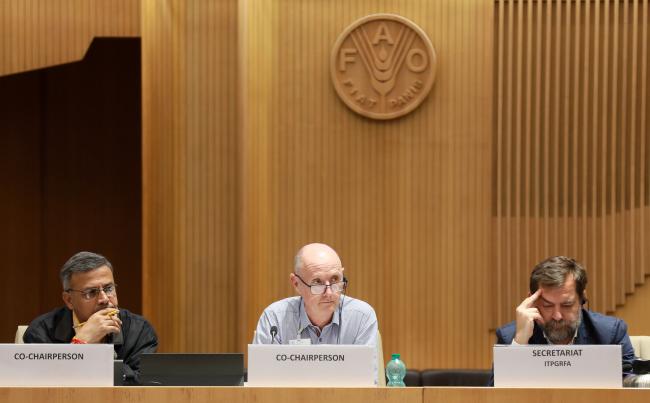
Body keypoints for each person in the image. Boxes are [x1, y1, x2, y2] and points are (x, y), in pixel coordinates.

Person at [489, 256, 635, 385]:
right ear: (531, 301)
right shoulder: (511, 337)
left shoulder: (610, 334)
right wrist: (519, 345)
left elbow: (632, 388)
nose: (557, 316)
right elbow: (494, 397)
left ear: (582, 299)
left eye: (567, 305)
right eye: (547, 305)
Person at [23, 251, 158, 384]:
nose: (104, 299)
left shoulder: (140, 330)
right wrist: (80, 344)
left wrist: (99, 354)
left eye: (109, 288)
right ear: (69, 300)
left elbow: (143, 386)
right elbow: (40, 387)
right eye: (91, 292)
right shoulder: (41, 331)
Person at [253, 243, 378, 346]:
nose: (329, 293)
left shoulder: (361, 317)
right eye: (317, 282)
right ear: (296, 283)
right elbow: (264, 375)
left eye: (335, 279)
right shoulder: (275, 319)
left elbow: (365, 376)